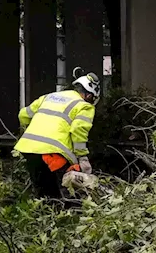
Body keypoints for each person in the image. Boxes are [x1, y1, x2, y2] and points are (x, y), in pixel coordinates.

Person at [14, 71, 99, 200]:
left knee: (42, 195)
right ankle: (69, 217)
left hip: (29, 150)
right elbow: (78, 131)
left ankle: (42, 218)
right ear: (89, 95)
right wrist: (82, 158)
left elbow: (23, 115)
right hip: (53, 154)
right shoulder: (85, 106)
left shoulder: (48, 97)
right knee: (69, 195)